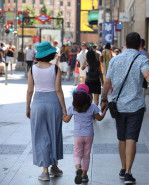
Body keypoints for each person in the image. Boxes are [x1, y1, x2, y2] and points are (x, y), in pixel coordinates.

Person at [101, 32, 149, 184]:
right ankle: (128, 172)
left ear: (126, 44)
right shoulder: (142, 58)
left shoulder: (115, 60)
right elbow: (147, 75)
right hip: (136, 106)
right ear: (140, 45)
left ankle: (123, 168)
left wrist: (103, 99)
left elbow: (107, 82)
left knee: (122, 138)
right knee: (131, 139)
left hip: (118, 106)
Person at [26, 41, 66, 181]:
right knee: (54, 133)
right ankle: (54, 166)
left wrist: (28, 107)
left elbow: (30, 90)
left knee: (41, 136)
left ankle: (45, 171)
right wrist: (64, 109)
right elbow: (58, 90)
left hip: (37, 104)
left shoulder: (32, 69)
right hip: (53, 103)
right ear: (50, 54)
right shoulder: (55, 69)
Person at [62, 84, 108, 184]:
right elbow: (99, 118)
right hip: (89, 135)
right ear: (88, 97)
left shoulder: (73, 108)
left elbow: (66, 120)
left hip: (78, 135)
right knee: (86, 155)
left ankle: (78, 167)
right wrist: (104, 111)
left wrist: (61, 113)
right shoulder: (92, 107)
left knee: (77, 154)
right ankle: (84, 175)